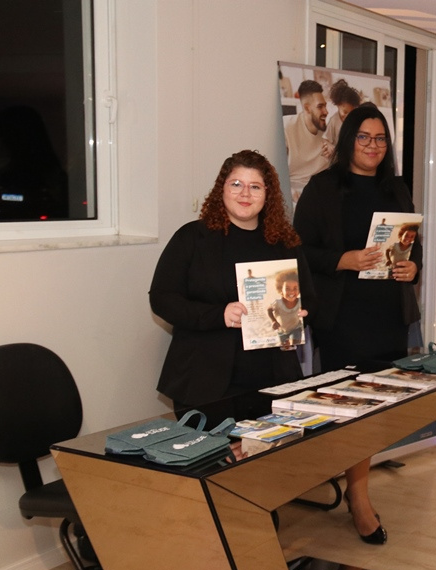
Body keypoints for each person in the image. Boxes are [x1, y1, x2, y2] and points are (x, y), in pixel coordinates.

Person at [294, 103, 421, 546]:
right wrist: (343, 260)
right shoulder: (323, 187)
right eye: (364, 137)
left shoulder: (396, 188)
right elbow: (299, 251)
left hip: (389, 315)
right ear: (348, 140)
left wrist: (413, 269)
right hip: (343, 317)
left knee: (379, 408)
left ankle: (355, 486)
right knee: (353, 410)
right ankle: (360, 500)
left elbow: (411, 246)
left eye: (380, 138)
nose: (373, 145)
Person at [150, 149, 315, 420]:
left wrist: (298, 317)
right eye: (236, 184)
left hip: (272, 379)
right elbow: (162, 299)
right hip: (205, 382)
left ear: (268, 194)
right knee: (213, 449)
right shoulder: (192, 238)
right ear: (222, 189)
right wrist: (220, 314)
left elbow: (309, 298)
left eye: (255, 186)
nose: (245, 194)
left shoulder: (285, 243)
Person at [283, 80, 331, 202]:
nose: (326, 111)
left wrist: (334, 154)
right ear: (307, 108)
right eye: (320, 107)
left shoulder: (327, 132)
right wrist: (290, 192)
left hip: (320, 193)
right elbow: (272, 171)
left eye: (325, 106)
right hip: (292, 195)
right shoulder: (286, 128)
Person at [267, 270, 304, 349]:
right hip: (282, 331)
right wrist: (273, 321)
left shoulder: (300, 301)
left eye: (295, 288)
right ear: (281, 290)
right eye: (287, 289)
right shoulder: (278, 303)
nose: (291, 291)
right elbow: (269, 310)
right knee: (285, 348)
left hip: (296, 328)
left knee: (295, 345)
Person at [323, 79, 362, 149]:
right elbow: (325, 139)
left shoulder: (355, 121)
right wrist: (330, 147)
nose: (348, 116)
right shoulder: (334, 120)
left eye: (351, 113)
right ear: (338, 105)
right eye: (345, 112)